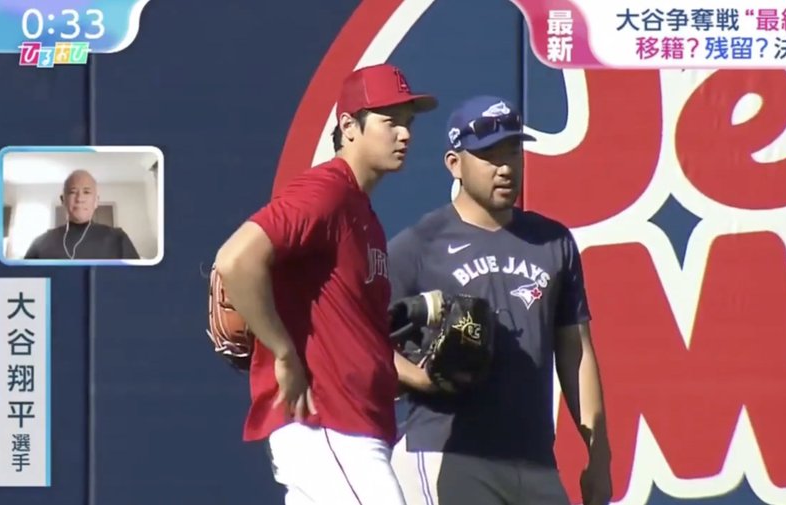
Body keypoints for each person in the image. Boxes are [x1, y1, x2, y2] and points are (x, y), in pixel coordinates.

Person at [212, 63, 437, 505]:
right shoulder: (326, 192)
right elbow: (235, 259)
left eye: (408, 123)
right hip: (326, 423)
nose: (405, 134)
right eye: (390, 121)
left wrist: (420, 377)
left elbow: (359, 337)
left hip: (349, 429)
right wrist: (283, 352)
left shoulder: (362, 213)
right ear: (349, 126)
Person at [387, 96, 613, 505]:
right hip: (448, 453)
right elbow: (358, 340)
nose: (505, 167)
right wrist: (417, 376)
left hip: (534, 458)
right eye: (489, 155)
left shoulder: (553, 241)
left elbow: (575, 352)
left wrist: (599, 455)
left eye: (512, 151)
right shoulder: (419, 245)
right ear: (454, 163)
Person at [24, 169, 140, 260]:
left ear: (96, 201)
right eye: (73, 192)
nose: (80, 198)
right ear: (63, 200)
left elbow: (138, 280)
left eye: (86, 192)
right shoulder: (40, 243)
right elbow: (23, 281)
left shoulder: (118, 239)